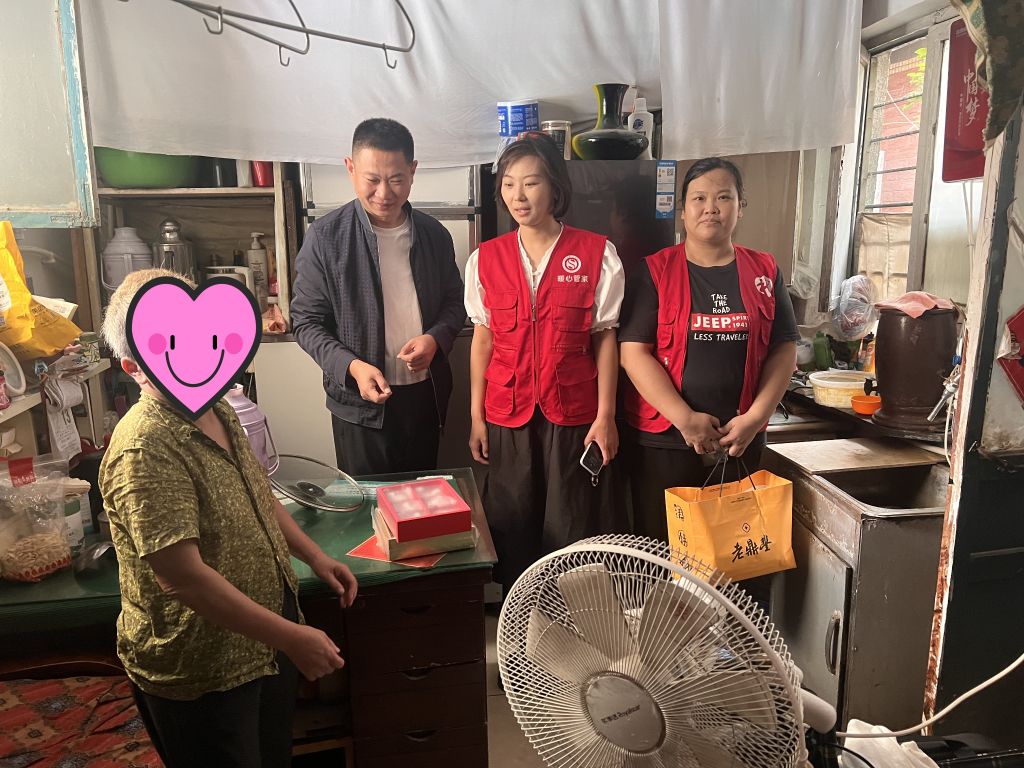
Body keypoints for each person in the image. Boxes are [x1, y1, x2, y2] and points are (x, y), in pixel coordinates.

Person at [98, 269, 359, 768]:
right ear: (133, 366)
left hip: (261, 646)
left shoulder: (218, 408)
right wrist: (293, 638)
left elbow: (257, 491)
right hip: (204, 669)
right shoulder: (145, 446)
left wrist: (314, 556)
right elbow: (183, 579)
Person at [465, 133, 627, 597]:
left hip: (573, 415)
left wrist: (606, 416)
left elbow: (605, 339)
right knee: (513, 524)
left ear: (555, 187)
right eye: (509, 184)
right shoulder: (485, 259)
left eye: (531, 183)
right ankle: (520, 627)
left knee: (572, 527)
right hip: (508, 413)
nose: (518, 196)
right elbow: (483, 340)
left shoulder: (597, 254)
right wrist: (476, 416)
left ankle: (571, 629)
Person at [619, 157, 799, 541]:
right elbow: (633, 352)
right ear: (683, 210)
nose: (711, 208)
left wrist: (755, 418)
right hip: (665, 442)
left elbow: (784, 348)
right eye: (699, 198)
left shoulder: (765, 270)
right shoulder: (654, 271)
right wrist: (684, 419)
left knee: (733, 554)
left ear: (740, 207)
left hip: (740, 440)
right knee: (662, 552)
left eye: (723, 197)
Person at [291, 118, 466, 475]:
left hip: (425, 398)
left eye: (396, 179)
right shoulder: (326, 237)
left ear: (412, 171)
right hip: (359, 405)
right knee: (367, 504)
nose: (384, 193)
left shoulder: (434, 235)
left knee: (420, 500)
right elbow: (306, 322)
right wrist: (352, 367)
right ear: (350, 168)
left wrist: (435, 339)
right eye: (372, 179)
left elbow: (454, 302)